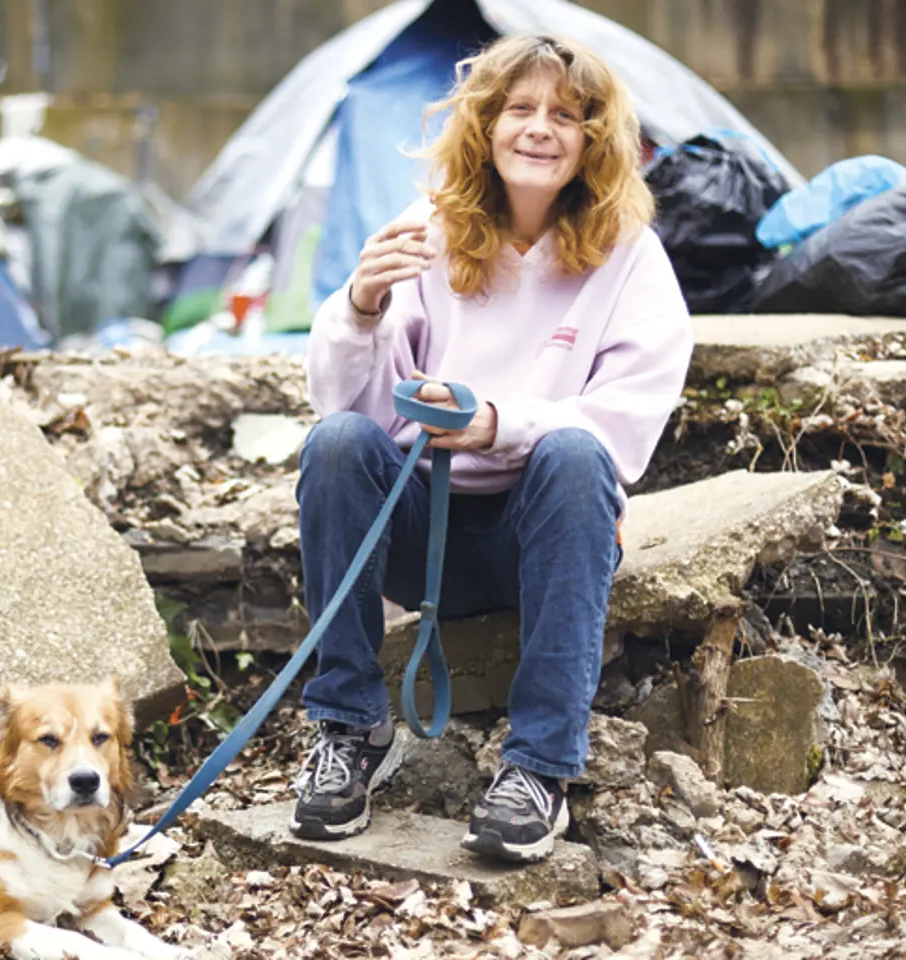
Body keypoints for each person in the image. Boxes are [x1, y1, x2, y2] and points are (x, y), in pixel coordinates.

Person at [288, 32, 693, 865]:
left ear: (593, 140)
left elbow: (624, 427)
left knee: (574, 455)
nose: (540, 128)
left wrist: (498, 423)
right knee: (335, 445)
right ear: (486, 125)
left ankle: (540, 767)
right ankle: (349, 730)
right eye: (520, 109)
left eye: (566, 115)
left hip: (540, 537)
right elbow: (346, 408)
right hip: (421, 534)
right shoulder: (426, 231)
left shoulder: (630, 256)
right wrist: (359, 308)